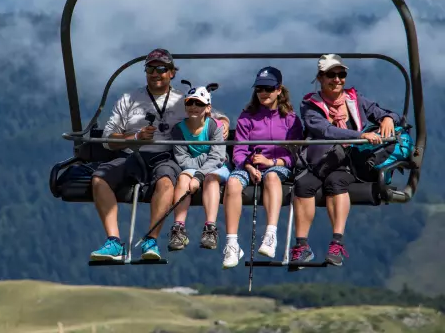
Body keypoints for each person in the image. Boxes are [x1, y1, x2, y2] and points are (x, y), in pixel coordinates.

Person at [89, 49, 230, 261]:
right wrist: (135, 137)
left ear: (171, 73)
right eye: (150, 69)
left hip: (165, 157)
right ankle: (113, 241)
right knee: (99, 179)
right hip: (132, 155)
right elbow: (108, 138)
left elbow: (211, 115)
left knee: (166, 183)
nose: (156, 73)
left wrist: (225, 121)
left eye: (161, 69)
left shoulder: (183, 100)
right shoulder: (129, 100)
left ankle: (151, 239)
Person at [289, 54, 401, 268]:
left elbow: (384, 113)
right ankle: (302, 246)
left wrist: (388, 118)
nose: (338, 80)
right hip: (319, 159)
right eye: (332, 75)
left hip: (348, 162)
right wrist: (359, 136)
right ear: (320, 78)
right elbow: (324, 130)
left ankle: (337, 243)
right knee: (303, 185)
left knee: (336, 183)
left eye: (342, 75)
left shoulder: (354, 99)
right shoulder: (310, 105)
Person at [222, 66, 303, 268]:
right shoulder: (247, 117)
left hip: (278, 165)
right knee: (232, 183)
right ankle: (232, 244)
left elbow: (295, 153)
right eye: (259, 89)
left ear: (278, 90)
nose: (263, 93)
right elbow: (239, 150)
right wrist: (248, 166)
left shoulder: (291, 120)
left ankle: (270, 235)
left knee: (272, 178)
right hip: (250, 165)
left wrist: (272, 163)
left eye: (268, 89)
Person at [166, 83, 231, 252]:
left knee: (211, 179)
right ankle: (178, 228)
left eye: (199, 104)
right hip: (192, 167)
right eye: (190, 103)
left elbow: (217, 157)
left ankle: (210, 228)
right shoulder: (178, 130)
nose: (194, 107)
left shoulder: (215, 127)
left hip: (217, 167)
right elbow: (181, 158)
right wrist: (198, 167)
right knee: (182, 179)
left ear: (208, 108)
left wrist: (199, 175)